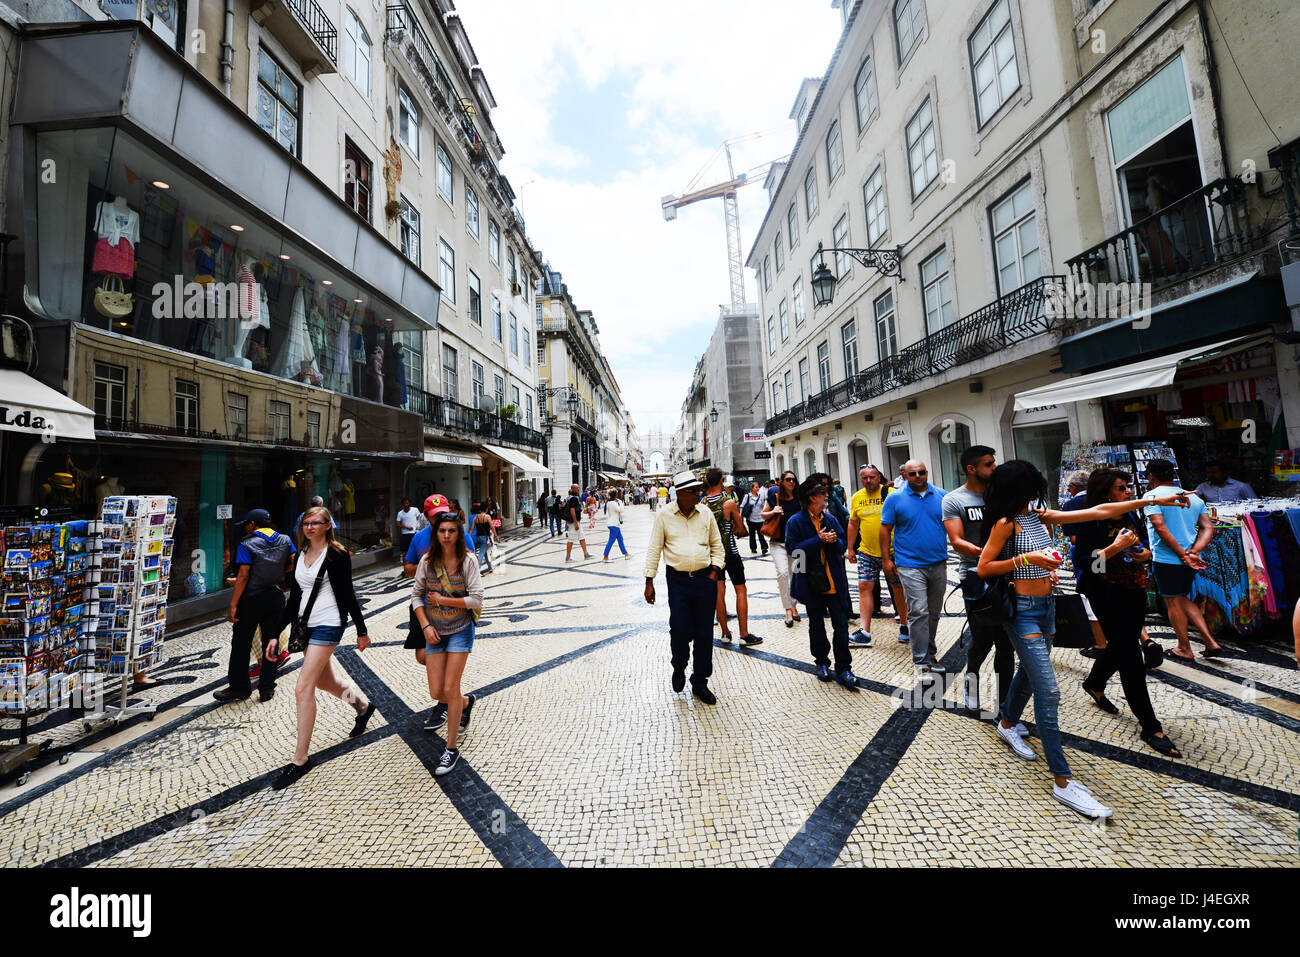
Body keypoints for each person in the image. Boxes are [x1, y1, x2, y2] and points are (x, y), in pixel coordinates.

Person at [976, 459, 1189, 819]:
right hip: (1023, 611)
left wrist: (1150, 502)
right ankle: (1063, 782)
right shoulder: (1004, 523)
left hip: (1046, 607)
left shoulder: (1038, 516)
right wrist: (1028, 558)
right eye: (1032, 487)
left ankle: (1008, 724)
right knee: (1050, 691)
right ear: (1019, 489)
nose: (1036, 493)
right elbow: (984, 567)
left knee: (1030, 674)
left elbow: (1100, 509)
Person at [1073, 470, 1182, 758]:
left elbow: (1143, 544)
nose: (1128, 493)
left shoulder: (1130, 516)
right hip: (1105, 592)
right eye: (1122, 489)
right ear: (1106, 493)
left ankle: (1095, 683)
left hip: (1133, 587)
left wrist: (1144, 554)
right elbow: (1085, 563)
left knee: (1124, 643)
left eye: (1128, 487)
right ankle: (1151, 726)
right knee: (1130, 656)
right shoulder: (1091, 519)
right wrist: (1113, 548)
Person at [270, 506, 377, 789]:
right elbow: (294, 600)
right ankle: (363, 707)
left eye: (316, 523)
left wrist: (362, 630)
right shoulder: (300, 555)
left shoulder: (336, 555)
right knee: (325, 681)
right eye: (306, 522)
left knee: (302, 687)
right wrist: (274, 633)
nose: (310, 527)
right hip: (307, 625)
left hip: (329, 623)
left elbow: (348, 593)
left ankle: (300, 759)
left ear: (328, 525)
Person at [942, 445, 1014, 713]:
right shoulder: (954, 499)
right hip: (976, 579)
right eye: (988, 464)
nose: (994, 468)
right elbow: (957, 541)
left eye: (994, 463)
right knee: (982, 639)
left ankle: (1004, 704)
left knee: (1006, 643)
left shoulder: (1001, 496)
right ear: (972, 469)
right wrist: (985, 554)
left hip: (1006, 574)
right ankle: (971, 682)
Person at [412, 512, 485, 776]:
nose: (446, 535)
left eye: (451, 531)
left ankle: (451, 748)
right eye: (442, 530)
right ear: (436, 533)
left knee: (450, 687)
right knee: (437, 692)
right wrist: (426, 625)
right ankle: (465, 703)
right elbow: (416, 596)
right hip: (434, 631)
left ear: (459, 533)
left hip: (460, 631)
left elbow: (476, 599)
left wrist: (443, 601)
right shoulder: (427, 561)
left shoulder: (469, 561)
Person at [644, 470, 725, 704]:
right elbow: (654, 548)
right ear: (679, 493)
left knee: (704, 632)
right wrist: (649, 580)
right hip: (678, 580)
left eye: (698, 489)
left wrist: (714, 572)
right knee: (679, 629)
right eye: (692, 490)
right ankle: (679, 666)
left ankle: (700, 681)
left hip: (704, 580)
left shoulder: (706, 513)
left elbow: (717, 546)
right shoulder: (665, 515)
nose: (697, 493)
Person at [403, 494, 478, 732]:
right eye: (435, 516)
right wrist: (430, 564)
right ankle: (458, 700)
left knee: (447, 679)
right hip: (424, 608)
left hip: (453, 613)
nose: (440, 520)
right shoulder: (418, 540)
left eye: (444, 513)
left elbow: (471, 568)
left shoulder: (459, 534)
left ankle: (447, 700)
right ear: (426, 517)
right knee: (422, 657)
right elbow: (407, 568)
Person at [1144, 458, 1222, 659]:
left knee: (1173, 602)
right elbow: (1207, 527)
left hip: (1166, 558)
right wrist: (1193, 552)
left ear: (1151, 476)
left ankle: (1184, 648)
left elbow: (1160, 527)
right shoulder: (1193, 498)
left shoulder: (1151, 497)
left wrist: (1182, 554)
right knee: (1182, 598)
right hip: (1190, 559)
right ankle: (1210, 641)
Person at [216, 509, 294, 704]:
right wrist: (277, 573)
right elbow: (292, 562)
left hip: (251, 599)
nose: (245, 528)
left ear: (252, 524)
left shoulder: (246, 544)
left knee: (241, 644)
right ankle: (267, 688)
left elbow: (243, 576)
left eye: (246, 524)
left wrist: (233, 604)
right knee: (271, 642)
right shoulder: (285, 539)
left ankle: (239, 689)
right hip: (275, 597)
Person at [787, 476, 858, 687]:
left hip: (835, 582)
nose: (825, 497)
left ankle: (844, 668)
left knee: (841, 626)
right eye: (821, 494)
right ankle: (822, 663)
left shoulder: (830, 520)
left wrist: (835, 541)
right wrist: (818, 540)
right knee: (816, 626)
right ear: (811, 498)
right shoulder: (796, 522)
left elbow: (843, 544)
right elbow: (793, 550)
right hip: (812, 583)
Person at [880, 460, 947, 682]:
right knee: (918, 611)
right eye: (912, 474)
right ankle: (921, 663)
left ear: (927, 472)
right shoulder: (895, 498)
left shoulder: (942, 496)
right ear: (905, 476)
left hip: (938, 562)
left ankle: (930, 654)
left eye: (921, 472)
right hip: (909, 564)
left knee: (934, 613)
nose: (917, 476)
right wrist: (886, 559)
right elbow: (885, 528)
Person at [846, 464, 908, 649]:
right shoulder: (857, 497)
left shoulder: (892, 493)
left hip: (892, 551)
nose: (868, 480)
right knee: (864, 586)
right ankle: (865, 632)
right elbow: (853, 524)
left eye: (872, 477)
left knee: (898, 587)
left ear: (878, 477)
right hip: (867, 551)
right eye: (864, 477)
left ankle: (905, 626)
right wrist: (850, 548)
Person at [702, 467, 762, 646]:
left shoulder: (703, 503)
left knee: (719, 593)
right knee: (740, 590)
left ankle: (725, 633)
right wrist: (736, 529)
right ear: (721, 481)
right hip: (730, 553)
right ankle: (744, 635)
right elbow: (742, 530)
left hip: (713, 555)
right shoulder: (728, 503)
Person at [763, 470, 802, 628]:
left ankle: (794, 605)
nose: (791, 482)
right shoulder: (775, 495)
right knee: (783, 573)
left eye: (793, 479)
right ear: (782, 481)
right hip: (777, 542)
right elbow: (762, 515)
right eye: (788, 479)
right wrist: (773, 511)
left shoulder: (800, 497)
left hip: (796, 543)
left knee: (796, 576)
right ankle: (787, 609)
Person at [561, 483, 592, 561]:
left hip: (576, 521)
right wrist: (575, 523)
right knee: (571, 539)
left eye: (578, 488)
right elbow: (572, 510)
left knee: (582, 537)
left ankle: (586, 554)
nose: (578, 489)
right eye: (577, 488)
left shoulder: (571, 497)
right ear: (572, 489)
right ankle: (568, 557)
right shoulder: (573, 499)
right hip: (573, 522)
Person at [739, 481, 769, 556]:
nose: (758, 488)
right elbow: (742, 506)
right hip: (750, 519)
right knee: (752, 535)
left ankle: (764, 548)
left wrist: (765, 514)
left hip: (760, 519)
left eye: (758, 487)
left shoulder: (761, 496)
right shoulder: (748, 496)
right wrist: (740, 515)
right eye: (756, 487)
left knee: (761, 534)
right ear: (752, 488)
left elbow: (763, 506)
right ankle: (753, 548)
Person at [469, 501, 494, 573]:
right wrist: (496, 535)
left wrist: (469, 537)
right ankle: (477, 570)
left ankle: (490, 566)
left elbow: (472, 528)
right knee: (481, 554)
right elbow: (492, 527)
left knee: (484, 552)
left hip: (476, 537)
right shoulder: (486, 517)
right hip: (484, 537)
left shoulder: (473, 517)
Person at [603, 493, 629, 560]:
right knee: (611, 541)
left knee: (620, 539)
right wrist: (620, 502)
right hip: (614, 524)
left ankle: (626, 554)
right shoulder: (613, 503)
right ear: (615, 496)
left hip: (613, 524)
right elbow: (621, 510)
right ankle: (605, 556)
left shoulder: (609, 502)